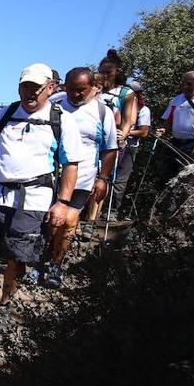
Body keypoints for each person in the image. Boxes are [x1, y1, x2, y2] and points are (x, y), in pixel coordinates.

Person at [0, 64, 85, 329]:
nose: (30, 93)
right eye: (25, 87)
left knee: (18, 255)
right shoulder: (5, 114)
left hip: (33, 197)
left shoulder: (62, 120)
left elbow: (71, 164)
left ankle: (5, 306)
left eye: (36, 88)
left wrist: (62, 202)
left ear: (50, 88)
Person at [42, 68, 117, 287]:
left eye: (80, 90)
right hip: (51, 176)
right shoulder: (54, 104)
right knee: (49, 223)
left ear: (92, 87)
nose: (74, 95)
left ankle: (55, 266)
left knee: (69, 221)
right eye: (70, 90)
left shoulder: (103, 113)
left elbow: (110, 149)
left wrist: (103, 178)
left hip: (83, 177)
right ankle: (41, 260)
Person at [108, 79, 151, 218]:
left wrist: (125, 132)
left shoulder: (143, 110)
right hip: (113, 145)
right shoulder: (117, 105)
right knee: (105, 177)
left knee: (120, 180)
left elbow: (144, 132)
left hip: (130, 148)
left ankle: (112, 211)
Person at [99, 49, 137, 142]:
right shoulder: (92, 90)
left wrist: (122, 136)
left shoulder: (125, 93)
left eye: (108, 73)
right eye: (102, 72)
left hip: (111, 141)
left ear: (117, 73)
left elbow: (128, 121)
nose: (105, 76)